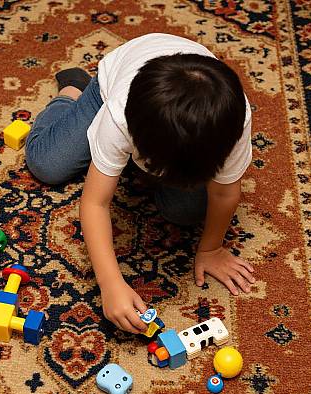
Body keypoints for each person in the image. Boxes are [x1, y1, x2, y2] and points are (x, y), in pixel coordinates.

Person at [25, 33, 256, 334]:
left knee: (187, 213)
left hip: (175, 132)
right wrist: (110, 284)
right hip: (109, 87)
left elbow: (224, 191)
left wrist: (211, 249)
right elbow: (95, 202)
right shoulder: (120, 113)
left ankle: (133, 163)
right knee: (46, 163)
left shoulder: (234, 124)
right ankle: (71, 91)